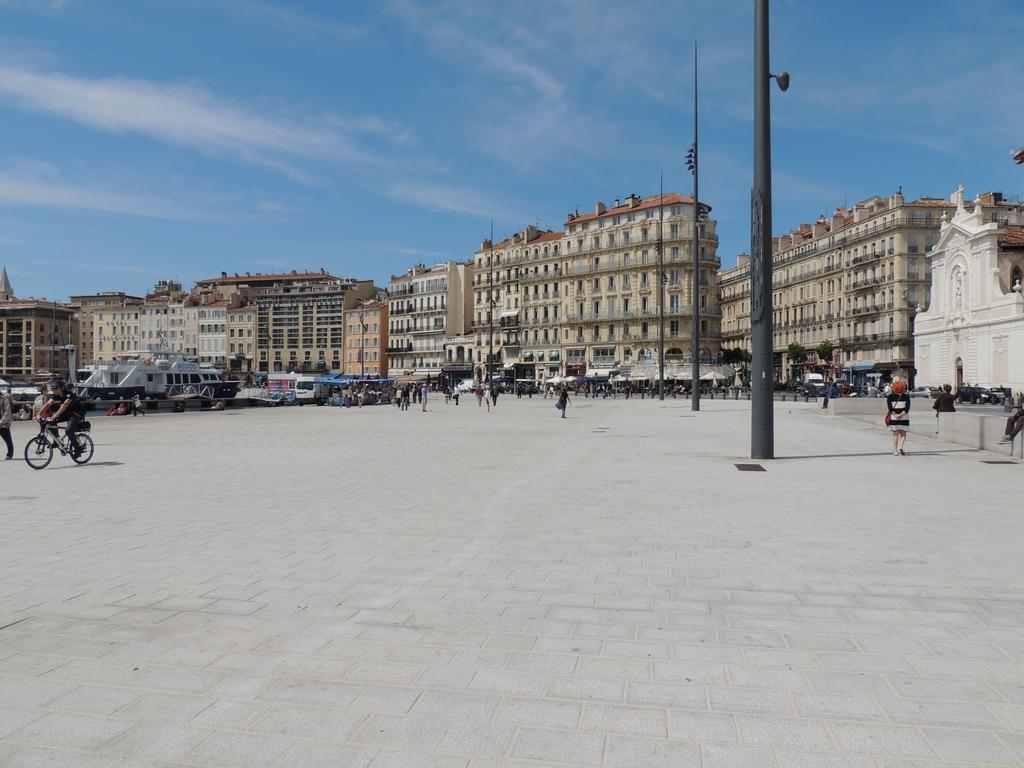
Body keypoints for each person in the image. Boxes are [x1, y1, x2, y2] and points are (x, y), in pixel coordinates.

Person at [43, 381, 86, 456]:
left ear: (61, 388)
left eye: (56, 388)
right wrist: (39, 414)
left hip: (76, 414)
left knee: (68, 431)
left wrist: (56, 413)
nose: (54, 390)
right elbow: (48, 404)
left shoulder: (69, 394)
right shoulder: (56, 395)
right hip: (67, 414)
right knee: (50, 421)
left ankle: (77, 448)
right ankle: (56, 440)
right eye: (53, 388)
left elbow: (65, 405)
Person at [886, 379, 911, 456]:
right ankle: (901, 447)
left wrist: (896, 415)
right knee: (903, 434)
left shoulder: (890, 397)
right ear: (903, 388)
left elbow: (890, 408)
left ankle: (895, 451)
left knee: (895, 435)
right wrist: (901, 414)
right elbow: (907, 408)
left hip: (894, 418)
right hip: (904, 418)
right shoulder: (906, 396)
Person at [0, 383, 13, 460]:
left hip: (3, 424)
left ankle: (10, 454)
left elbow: (8, 412)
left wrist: (1, 421)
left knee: (8, 440)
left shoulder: (5, 399)